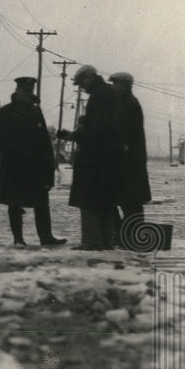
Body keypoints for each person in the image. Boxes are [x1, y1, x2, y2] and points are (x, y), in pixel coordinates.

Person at [0, 77, 67, 247]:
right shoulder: (6, 112)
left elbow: (44, 140)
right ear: (18, 90)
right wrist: (16, 151)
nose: (29, 94)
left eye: (31, 91)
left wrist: (49, 166)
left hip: (36, 167)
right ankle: (18, 239)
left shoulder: (36, 111)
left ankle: (46, 237)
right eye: (25, 91)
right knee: (14, 202)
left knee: (41, 202)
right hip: (15, 165)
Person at [58, 64, 122, 249]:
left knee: (89, 200)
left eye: (81, 83)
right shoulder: (107, 93)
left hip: (95, 159)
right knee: (104, 201)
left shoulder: (99, 96)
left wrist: (74, 135)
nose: (81, 88)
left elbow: (96, 130)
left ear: (89, 77)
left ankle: (92, 242)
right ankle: (105, 241)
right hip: (108, 158)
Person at [109, 71, 151, 247]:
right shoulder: (122, 103)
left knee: (130, 203)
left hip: (129, 162)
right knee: (123, 201)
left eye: (115, 84)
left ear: (124, 86)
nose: (113, 87)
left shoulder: (129, 105)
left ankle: (130, 237)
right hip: (125, 162)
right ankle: (125, 235)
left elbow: (126, 133)